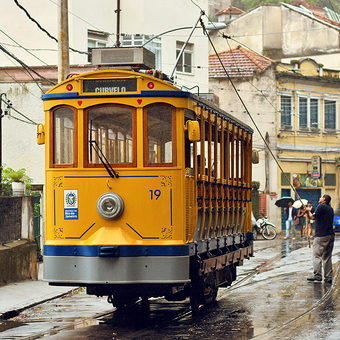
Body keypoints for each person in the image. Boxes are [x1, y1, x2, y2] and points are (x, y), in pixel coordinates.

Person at [306, 194, 334, 283]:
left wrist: (308, 212)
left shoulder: (321, 206)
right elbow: (317, 218)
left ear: (324, 199)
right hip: (330, 234)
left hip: (321, 235)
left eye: (321, 197)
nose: (319, 198)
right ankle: (328, 277)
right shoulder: (330, 208)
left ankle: (317, 275)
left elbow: (313, 217)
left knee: (316, 255)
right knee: (327, 256)